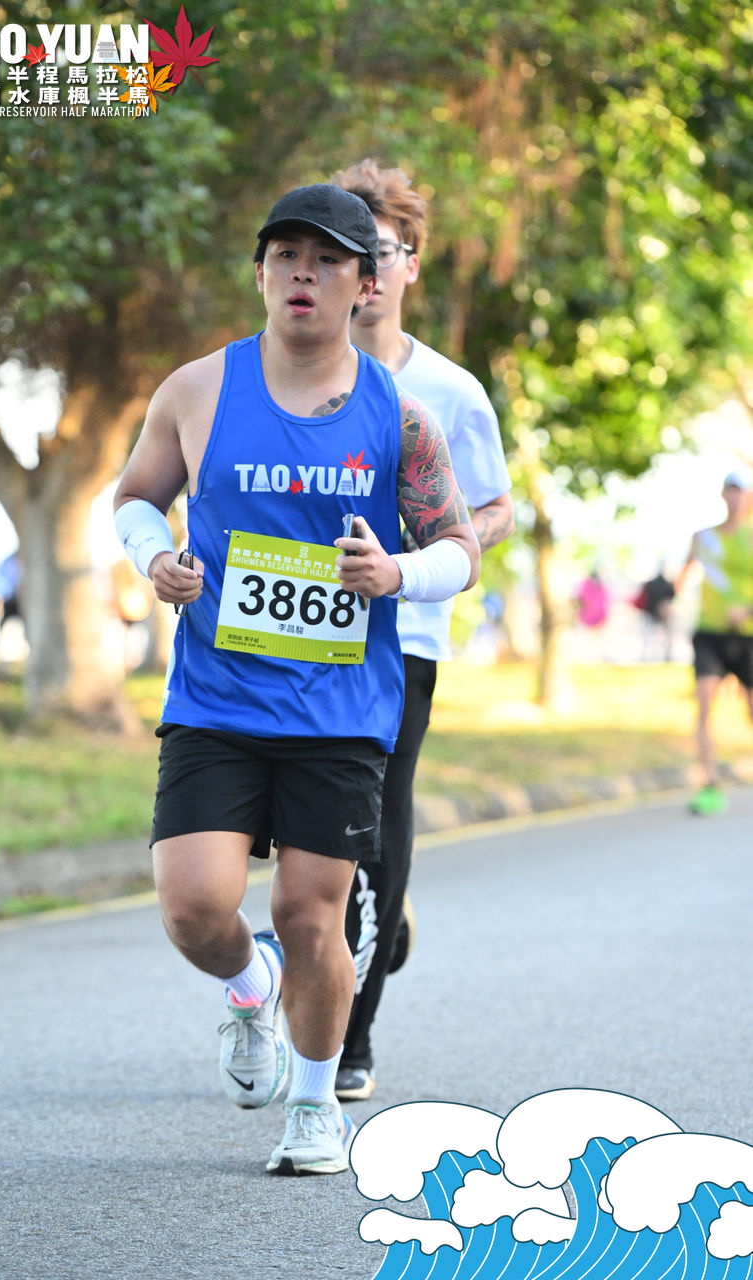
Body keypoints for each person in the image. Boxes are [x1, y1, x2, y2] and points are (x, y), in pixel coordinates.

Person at [112, 183, 480, 1175]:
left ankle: (315, 1107)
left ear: (365, 282)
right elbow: (136, 498)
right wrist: (154, 557)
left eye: (326, 259)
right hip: (216, 698)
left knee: (310, 914)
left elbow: (458, 546)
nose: (303, 274)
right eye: (285, 255)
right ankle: (247, 987)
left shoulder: (400, 416)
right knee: (194, 906)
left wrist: (395, 574)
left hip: (340, 709)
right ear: (261, 273)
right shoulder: (197, 389)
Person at [330, 160, 514, 1102]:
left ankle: (351, 1033)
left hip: (404, 635)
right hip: (297, 635)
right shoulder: (282, 374)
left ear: (409, 264)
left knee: (380, 810)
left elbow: (495, 508)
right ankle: (379, 912)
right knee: (299, 821)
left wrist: (432, 548)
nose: (364, 268)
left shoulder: (450, 390)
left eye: (381, 250)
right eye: (345, 250)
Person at [676, 469, 753, 816]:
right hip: (709, 633)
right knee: (705, 705)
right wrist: (667, 599)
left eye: (741, 491)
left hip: (748, 637)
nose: (735, 497)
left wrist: (747, 609)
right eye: (730, 491)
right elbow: (684, 574)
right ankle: (710, 784)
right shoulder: (703, 538)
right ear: (723, 495)